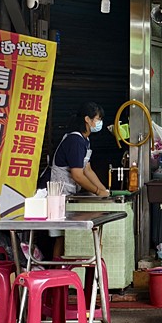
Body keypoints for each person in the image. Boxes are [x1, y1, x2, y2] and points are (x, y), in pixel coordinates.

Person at [47, 102, 111, 257]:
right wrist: (97, 191)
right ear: (87, 119)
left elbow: (87, 169)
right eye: (97, 119)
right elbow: (77, 174)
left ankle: (62, 272)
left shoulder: (84, 140)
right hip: (59, 196)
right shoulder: (74, 141)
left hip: (69, 195)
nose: (99, 123)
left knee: (67, 237)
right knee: (61, 238)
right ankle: (57, 274)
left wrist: (103, 190)